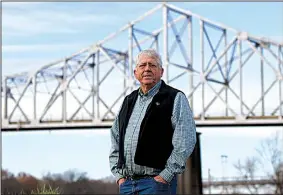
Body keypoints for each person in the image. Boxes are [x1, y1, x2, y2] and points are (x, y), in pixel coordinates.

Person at [109, 49, 196, 194]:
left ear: (161, 71)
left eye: (152, 65)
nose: (147, 69)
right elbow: (115, 137)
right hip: (127, 184)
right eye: (142, 65)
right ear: (135, 72)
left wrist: (165, 175)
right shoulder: (128, 101)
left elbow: (185, 140)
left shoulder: (175, 97)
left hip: (156, 184)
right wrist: (119, 176)